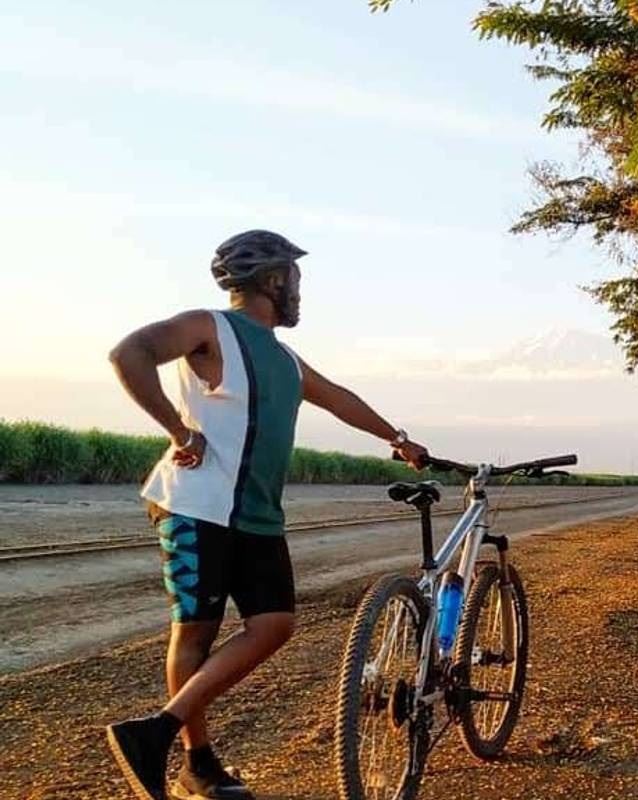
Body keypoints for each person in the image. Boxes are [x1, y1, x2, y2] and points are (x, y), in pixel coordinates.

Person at [104, 230, 429, 800]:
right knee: (196, 633)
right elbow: (129, 353)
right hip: (197, 505)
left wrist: (396, 438)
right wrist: (179, 429)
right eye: (295, 279)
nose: (300, 290)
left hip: (255, 515)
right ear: (274, 279)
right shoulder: (209, 327)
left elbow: (337, 396)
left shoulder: (282, 356)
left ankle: (157, 732)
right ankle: (195, 765)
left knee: (274, 625)